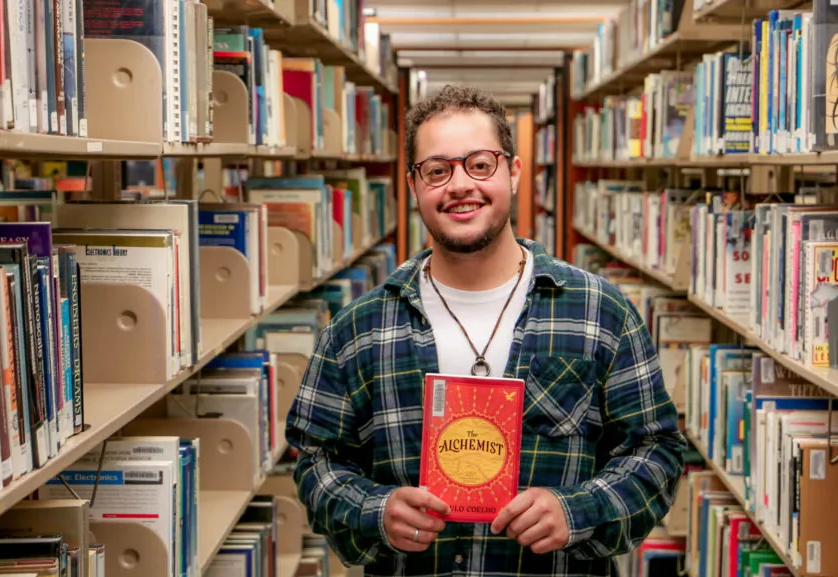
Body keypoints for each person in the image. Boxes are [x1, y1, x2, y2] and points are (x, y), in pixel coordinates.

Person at [285, 84, 686, 576]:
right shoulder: (358, 327)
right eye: (437, 170)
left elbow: (657, 451)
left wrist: (579, 510)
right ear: (413, 186)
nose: (459, 185)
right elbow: (316, 461)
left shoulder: (601, 312)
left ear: (514, 173)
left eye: (480, 164)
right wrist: (373, 510)